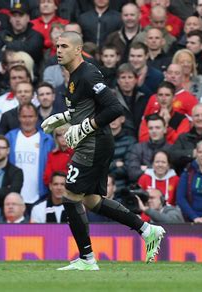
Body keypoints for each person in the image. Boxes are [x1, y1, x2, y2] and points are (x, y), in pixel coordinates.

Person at [41, 32, 164, 270]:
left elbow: (115, 107)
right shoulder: (76, 76)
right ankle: (147, 230)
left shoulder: (87, 73)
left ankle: (87, 259)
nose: (58, 50)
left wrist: (86, 126)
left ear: (78, 50)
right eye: (57, 46)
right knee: (92, 199)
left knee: (69, 196)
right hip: (95, 142)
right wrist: (63, 117)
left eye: (64, 46)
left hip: (94, 142)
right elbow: (87, 108)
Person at [7, 104, 54, 207]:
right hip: (14, 196)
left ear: (36, 117)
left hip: (40, 197)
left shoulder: (47, 140)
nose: (27, 120)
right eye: (24, 116)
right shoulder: (10, 138)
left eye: (30, 116)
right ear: (19, 117)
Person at [125, 114, 172, 183]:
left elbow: (173, 173)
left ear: (165, 129)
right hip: (142, 189)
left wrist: (145, 169)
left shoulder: (172, 149)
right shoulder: (137, 148)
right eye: (151, 128)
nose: (154, 131)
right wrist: (158, 168)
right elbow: (132, 174)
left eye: (157, 128)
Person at [176, 140, 202, 223]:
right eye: (200, 152)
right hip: (191, 221)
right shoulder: (188, 173)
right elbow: (180, 198)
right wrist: (194, 217)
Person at [171, 104, 202, 174]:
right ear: (192, 118)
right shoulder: (183, 138)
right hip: (188, 178)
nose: (200, 118)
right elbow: (173, 155)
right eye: (197, 115)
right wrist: (192, 153)